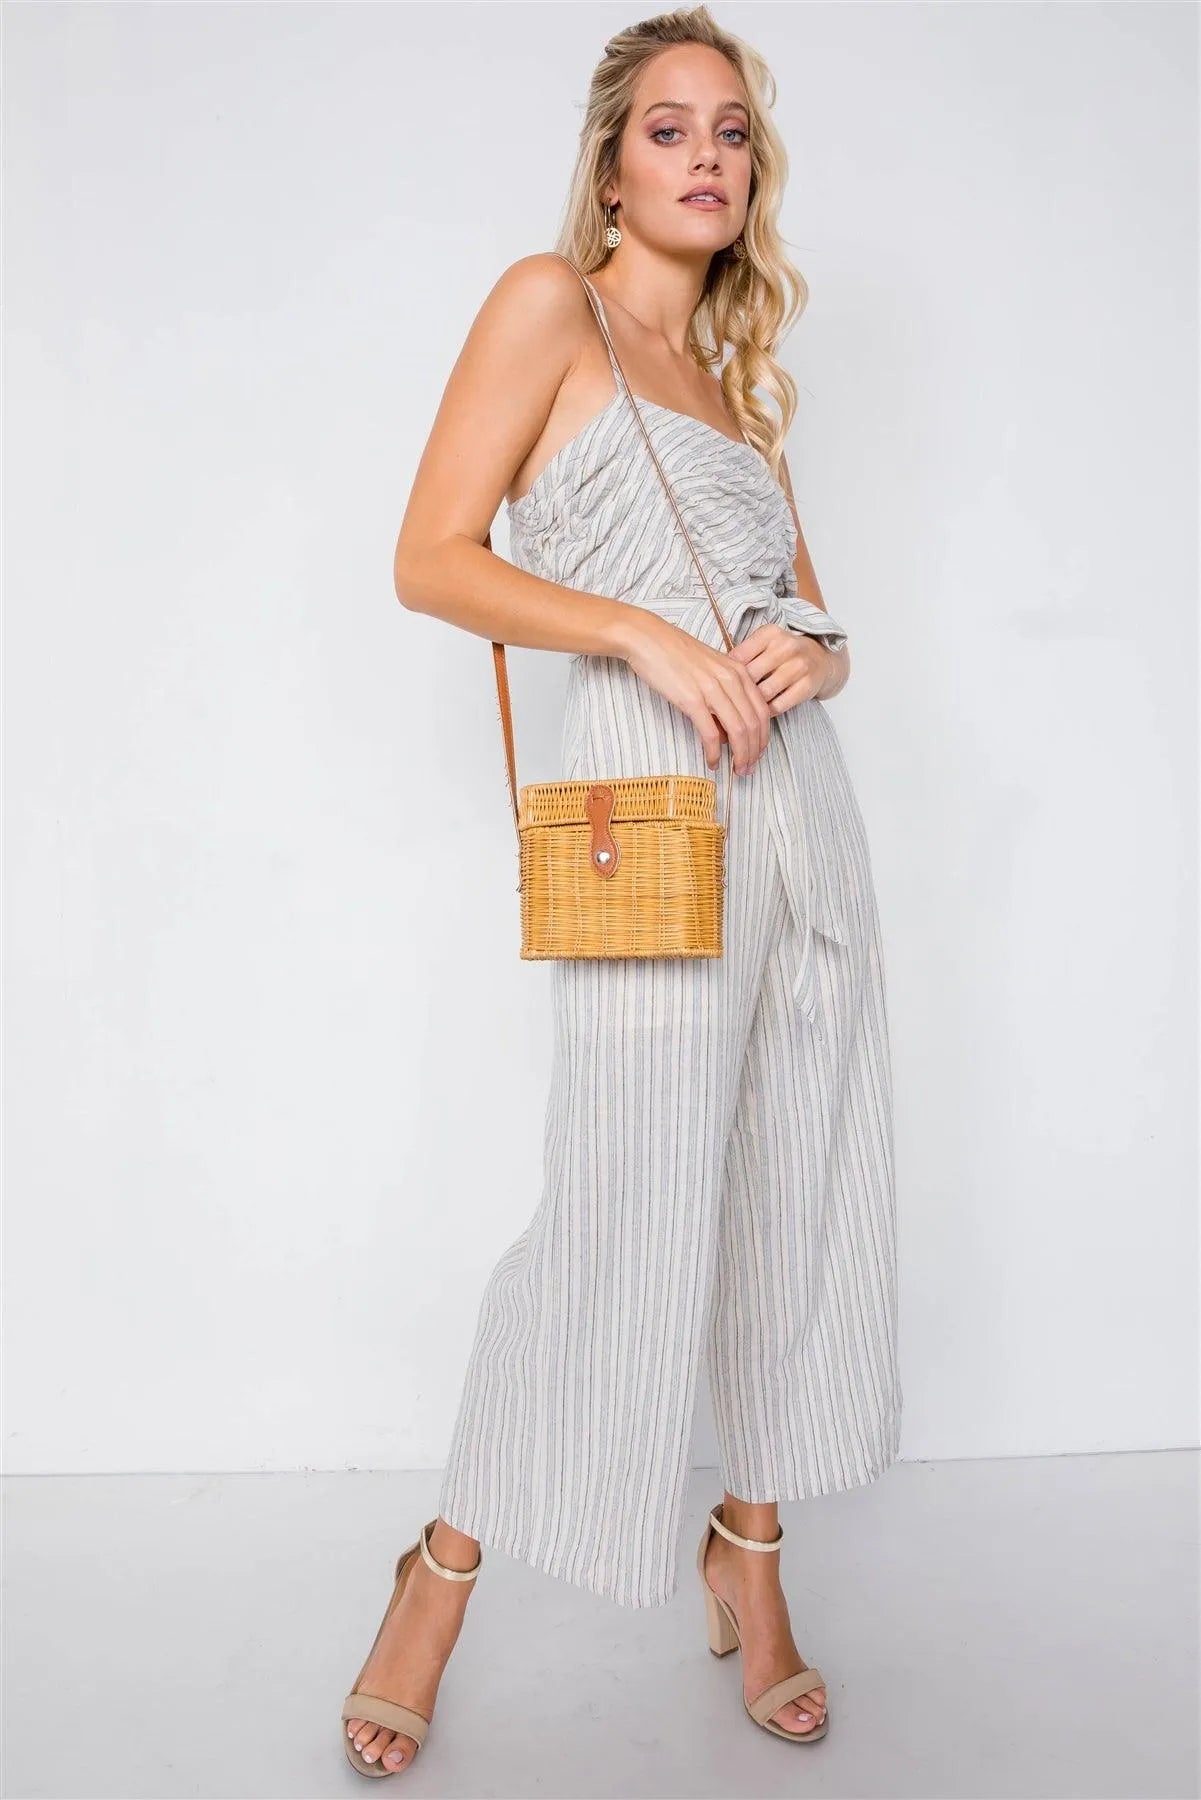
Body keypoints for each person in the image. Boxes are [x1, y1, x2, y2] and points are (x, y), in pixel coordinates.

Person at [341, 5, 902, 1778]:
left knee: (792, 1193)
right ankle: (438, 1577)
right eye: (669, 129)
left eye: (730, 131)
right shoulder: (546, 306)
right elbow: (430, 559)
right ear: (609, 166)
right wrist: (639, 634)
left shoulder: (736, 383)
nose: (705, 158)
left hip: (800, 820)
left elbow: (811, 610)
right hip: (647, 819)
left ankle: (750, 1555)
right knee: (619, 1208)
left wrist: (820, 656)